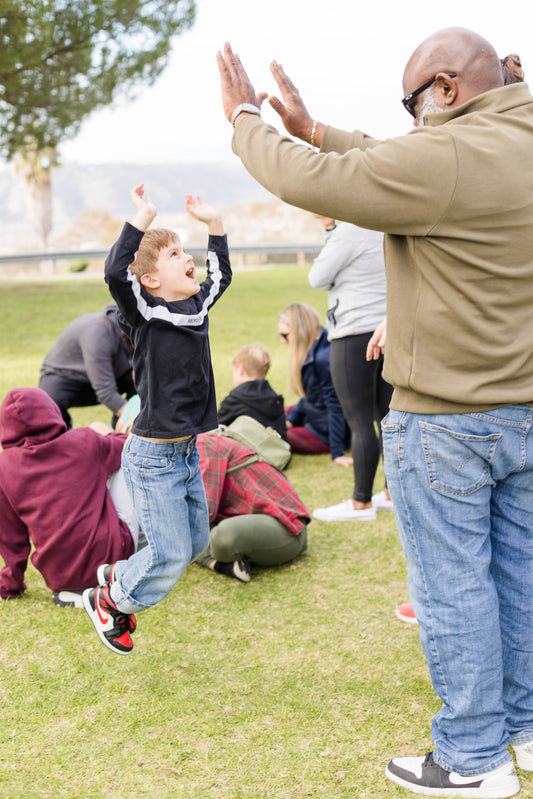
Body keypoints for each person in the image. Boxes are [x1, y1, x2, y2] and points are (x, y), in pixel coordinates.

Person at [218, 27, 533, 799]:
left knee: (452, 585)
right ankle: (523, 727)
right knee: (518, 576)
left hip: (448, 419)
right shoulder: (512, 133)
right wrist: (320, 130)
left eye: (412, 104)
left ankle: (471, 758)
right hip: (523, 407)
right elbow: (409, 162)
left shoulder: (446, 156)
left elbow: (324, 183)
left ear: (448, 90)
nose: (410, 119)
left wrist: (244, 124)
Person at [82, 185, 232, 656]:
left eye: (185, 251)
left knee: (192, 544)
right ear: (150, 280)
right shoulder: (146, 314)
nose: (187, 258)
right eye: (174, 254)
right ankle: (110, 599)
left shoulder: (197, 307)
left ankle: (117, 576)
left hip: (186, 452)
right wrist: (142, 220)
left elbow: (221, 276)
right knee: (168, 555)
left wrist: (215, 224)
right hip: (152, 457)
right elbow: (113, 272)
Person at [0, 388, 139, 606]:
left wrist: (10, 585)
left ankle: (76, 590)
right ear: (50, 411)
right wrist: (105, 433)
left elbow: (12, 539)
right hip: (112, 560)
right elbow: (132, 446)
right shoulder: (84, 441)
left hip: (58, 575)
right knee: (127, 462)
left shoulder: (4, 468)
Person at [308, 215, 392, 523]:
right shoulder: (384, 224)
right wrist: (331, 228)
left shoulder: (351, 231)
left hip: (353, 332)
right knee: (387, 417)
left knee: (358, 421)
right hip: (385, 329)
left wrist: (333, 232)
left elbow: (317, 277)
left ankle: (361, 503)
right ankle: (391, 492)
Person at [194, 432, 309, 581]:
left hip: (288, 533)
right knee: (186, 530)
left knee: (218, 536)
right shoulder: (193, 446)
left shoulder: (203, 445)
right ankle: (218, 563)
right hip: (257, 524)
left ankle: (214, 562)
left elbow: (204, 512)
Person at [39, 304, 135, 429]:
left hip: (110, 374)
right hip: (68, 377)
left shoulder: (140, 330)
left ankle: (119, 430)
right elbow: (105, 391)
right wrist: (133, 416)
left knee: (144, 381)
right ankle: (62, 428)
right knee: (49, 400)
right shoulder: (99, 334)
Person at [277, 302, 351, 466]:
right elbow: (309, 396)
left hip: (325, 431)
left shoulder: (323, 359)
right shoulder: (316, 346)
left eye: (284, 335)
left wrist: (337, 451)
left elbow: (335, 405)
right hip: (316, 414)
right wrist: (292, 419)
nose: (283, 341)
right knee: (274, 414)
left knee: (276, 433)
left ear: (299, 332)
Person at [217, 345, 287, 439]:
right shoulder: (274, 398)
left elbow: (216, 425)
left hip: (246, 450)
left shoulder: (236, 398)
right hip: (272, 448)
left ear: (241, 369)